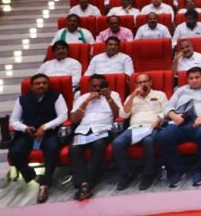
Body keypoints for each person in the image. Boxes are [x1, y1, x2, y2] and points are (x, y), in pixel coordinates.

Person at [156, 67, 201, 187]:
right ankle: (177, 170)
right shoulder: (181, 90)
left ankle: (200, 169)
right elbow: (168, 106)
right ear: (187, 79)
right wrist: (173, 115)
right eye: (191, 78)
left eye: (197, 77)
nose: (194, 80)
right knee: (163, 136)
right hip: (180, 121)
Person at [8, 74, 67, 203]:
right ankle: (35, 177)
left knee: (52, 149)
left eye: (44, 83)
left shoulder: (56, 96)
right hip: (28, 133)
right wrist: (25, 128)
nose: (41, 85)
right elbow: (14, 121)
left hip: (49, 133)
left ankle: (45, 184)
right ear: (31, 86)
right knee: (14, 153)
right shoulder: (22, 99)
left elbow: (62, 116)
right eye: (38, 83)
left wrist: (45, 127)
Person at [69, 74, 123, 200]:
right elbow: (73, 118)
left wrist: (109, 98)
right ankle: (85, 184)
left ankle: (86, 183)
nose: (97, 89)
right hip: (83, 129)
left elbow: (119, 114)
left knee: (98, 145)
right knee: (74, 148)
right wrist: (87, 101)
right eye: (94, 86)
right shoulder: (82, 97)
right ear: (89, 86)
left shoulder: (113, 95)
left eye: (100, 86)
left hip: (103, 129)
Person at [113, 73, 167, 190]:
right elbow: (123, 114)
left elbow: (167, 111)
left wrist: (158, 120)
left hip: (152, 126)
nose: (143, 84)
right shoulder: (132, 97)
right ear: (135, 84)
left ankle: (148, 174)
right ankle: (126, 174)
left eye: (145, 81)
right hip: (135, 128)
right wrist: (132, 96)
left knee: (148, 141)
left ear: (150, 82)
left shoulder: (159, 94)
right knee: (118, 143)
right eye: (139, 82)